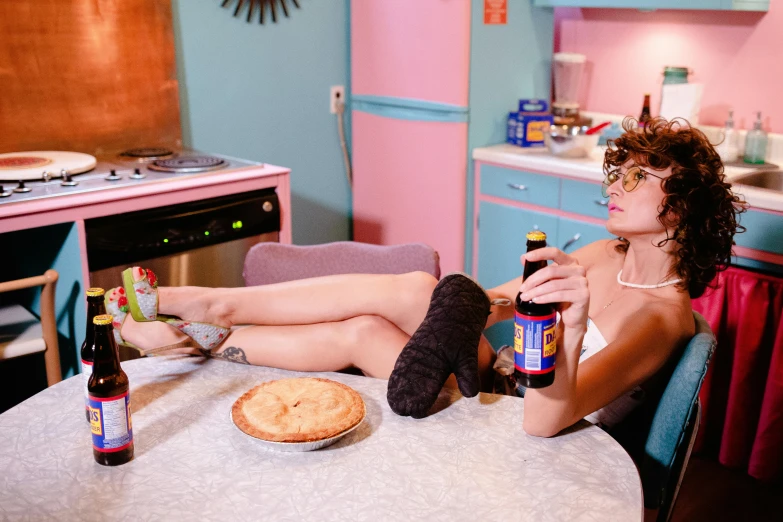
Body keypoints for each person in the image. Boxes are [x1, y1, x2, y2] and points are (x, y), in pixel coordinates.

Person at [105, 117, 745, 437]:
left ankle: (201, 322)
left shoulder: (662, 320)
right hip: (494, 378)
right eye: (616, 170)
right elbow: (503, 305)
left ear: (682, 204)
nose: (614, 185)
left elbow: (547, 419)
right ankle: (200, 322)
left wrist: (568, 331)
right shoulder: (604, 254)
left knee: (372, 325)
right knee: (403, 299)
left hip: (519, 423)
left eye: (636, 177)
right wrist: (491, 299)